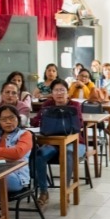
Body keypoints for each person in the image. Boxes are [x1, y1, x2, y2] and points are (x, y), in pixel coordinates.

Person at [30, 79, 86, 209]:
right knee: (39, 155)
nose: (59, 93)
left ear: (68, 93)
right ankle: (44, 191)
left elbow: (80, 124)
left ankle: (65, 191)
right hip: (54, 143)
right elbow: (35, 122)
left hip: (75, 142)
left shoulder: (74, 105)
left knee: (68, 153)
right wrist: (39, 120)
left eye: (62, 90)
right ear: (52, 93)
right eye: (56, 90)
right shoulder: (47, 105)